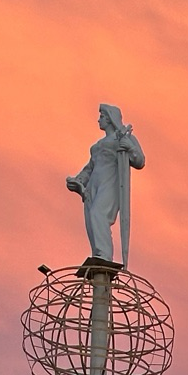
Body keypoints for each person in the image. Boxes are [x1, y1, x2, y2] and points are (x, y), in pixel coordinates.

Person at [66, 103, 145, 264]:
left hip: (110, 183)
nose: (98, 120)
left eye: (102, 116)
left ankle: (104, 255)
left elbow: (139, 161)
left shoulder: (124, 137)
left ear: (110, 118)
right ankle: (97, 252)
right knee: (91, 221)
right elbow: (90, 168)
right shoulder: (98, 145)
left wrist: (129, 147)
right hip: (93, 184)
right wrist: (78, 181)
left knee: (98, 214)